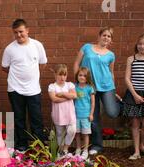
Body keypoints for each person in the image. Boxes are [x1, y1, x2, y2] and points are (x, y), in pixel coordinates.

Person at [2, 18, 48, 151]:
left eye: (21, 31)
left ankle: (38, 147)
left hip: (34, 90)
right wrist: (18, 75)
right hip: (15, 89)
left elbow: (42, 63)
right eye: (15, 32)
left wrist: (32, 75)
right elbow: (5, 67)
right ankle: (21, 146)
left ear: (27, 30)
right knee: (18, 118)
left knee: (36, 119)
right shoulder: (10, 49)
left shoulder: (37, 45)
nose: (19, 35)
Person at [73, 27, 120, 155]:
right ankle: (97, 145)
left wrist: (114, 89)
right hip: (89, 88)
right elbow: (77, 64)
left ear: (111, 40)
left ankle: (121, 104)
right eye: (104, 35)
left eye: (109, 36)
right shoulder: (87, 47)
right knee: (93, 118)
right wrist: (77, 82)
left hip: (107, 87)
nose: (106, 38)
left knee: (112, 112)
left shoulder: (111, 55)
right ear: (99, 36)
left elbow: (111, 72)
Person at [47, 64, 77, 157]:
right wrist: (68, 97)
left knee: (72, 130)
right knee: (60, 133)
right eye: (60, 74)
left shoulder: (69, 85)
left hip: (69, 114)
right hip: (58, 114)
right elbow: (54, 99)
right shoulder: (52, 86)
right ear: (55, 75)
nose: (62, 77)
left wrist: (62, 93)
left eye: (64, 75)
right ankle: (61, 152)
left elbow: (75, 95)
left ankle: (65, 148)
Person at [74, 67, 96, 159]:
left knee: (85, 133)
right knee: (77, 133)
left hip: (86, 115)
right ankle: (78, 148)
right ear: (77, 76)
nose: (82, 77)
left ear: (88, 78)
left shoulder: (89, 88)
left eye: (84, 76)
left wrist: (91, 114)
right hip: (75, 115)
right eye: (80, 75)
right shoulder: (74, 87)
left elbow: (92, 102)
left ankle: (85, 150)